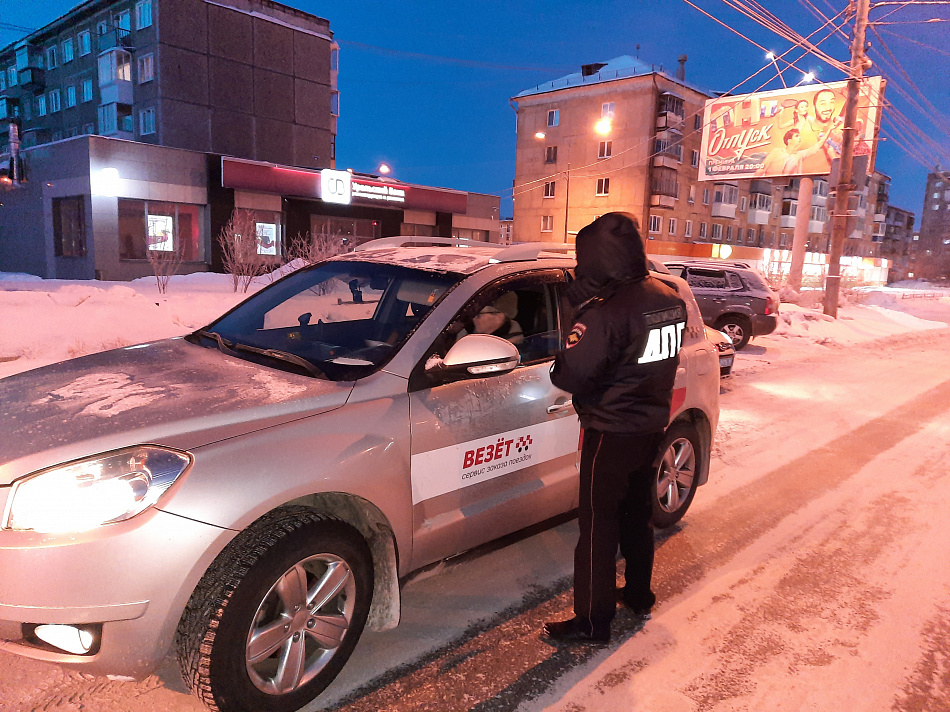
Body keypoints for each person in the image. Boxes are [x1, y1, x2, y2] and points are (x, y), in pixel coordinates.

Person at [543, 212, 687, 645]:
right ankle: (639, 594)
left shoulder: (605, 312)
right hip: (651, 424)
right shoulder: (668, 296)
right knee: (637, 514)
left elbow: (571, 376)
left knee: (597, 526)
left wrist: (574, 316)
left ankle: (592, 621)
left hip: (610, 429)